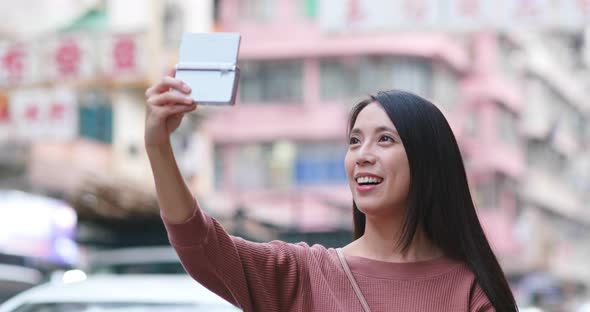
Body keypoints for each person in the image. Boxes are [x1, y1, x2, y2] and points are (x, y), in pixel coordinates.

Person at [144, 69, 518, 312]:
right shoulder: (305, 273)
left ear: (427, 162)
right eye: (354, 142)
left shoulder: (470, 291)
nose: (362, 156)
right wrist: (159, 146)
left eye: (385, 139)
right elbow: (202, 246)